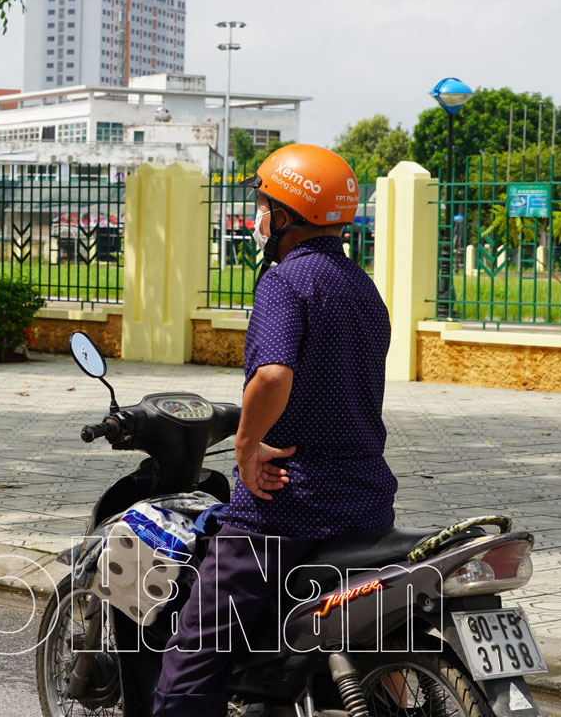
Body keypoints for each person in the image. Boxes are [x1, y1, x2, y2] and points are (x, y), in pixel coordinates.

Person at [153, 144, 397, 715]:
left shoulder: (288, 281)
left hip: (285, 507)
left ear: (284, 216)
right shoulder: (362, 288)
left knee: (194, 651)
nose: (257, 215)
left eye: (263, 204)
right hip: (366, 502)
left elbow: (273, 374)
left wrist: (243, 446)